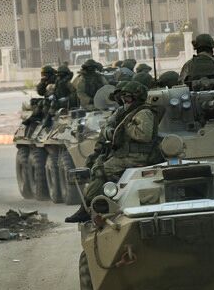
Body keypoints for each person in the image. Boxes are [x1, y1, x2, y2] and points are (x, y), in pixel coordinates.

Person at [66, 80, 159, 223]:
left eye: (128, 98)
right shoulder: (127, 111)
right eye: (123, 98)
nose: (125, 101)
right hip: (127, 154)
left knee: (101, 170)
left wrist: (124, 129)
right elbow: (109, 129)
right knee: (96, 163)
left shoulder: (144, 112)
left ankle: (91, 207)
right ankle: (97, 202)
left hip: (138, 156)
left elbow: (144, 135)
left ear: (137, 97)